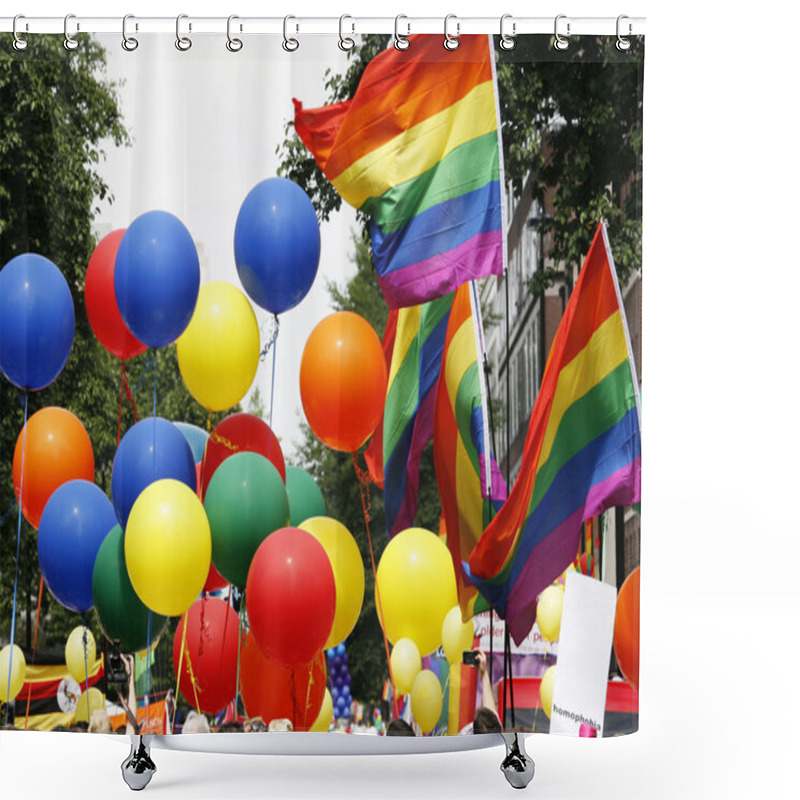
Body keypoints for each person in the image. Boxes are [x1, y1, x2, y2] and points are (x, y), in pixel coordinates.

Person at [459, 650, 502, 735]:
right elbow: (490, 711)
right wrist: (484, 673)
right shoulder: (494, 732)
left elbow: (490, 711)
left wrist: (484, 673)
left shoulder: (465, 738)